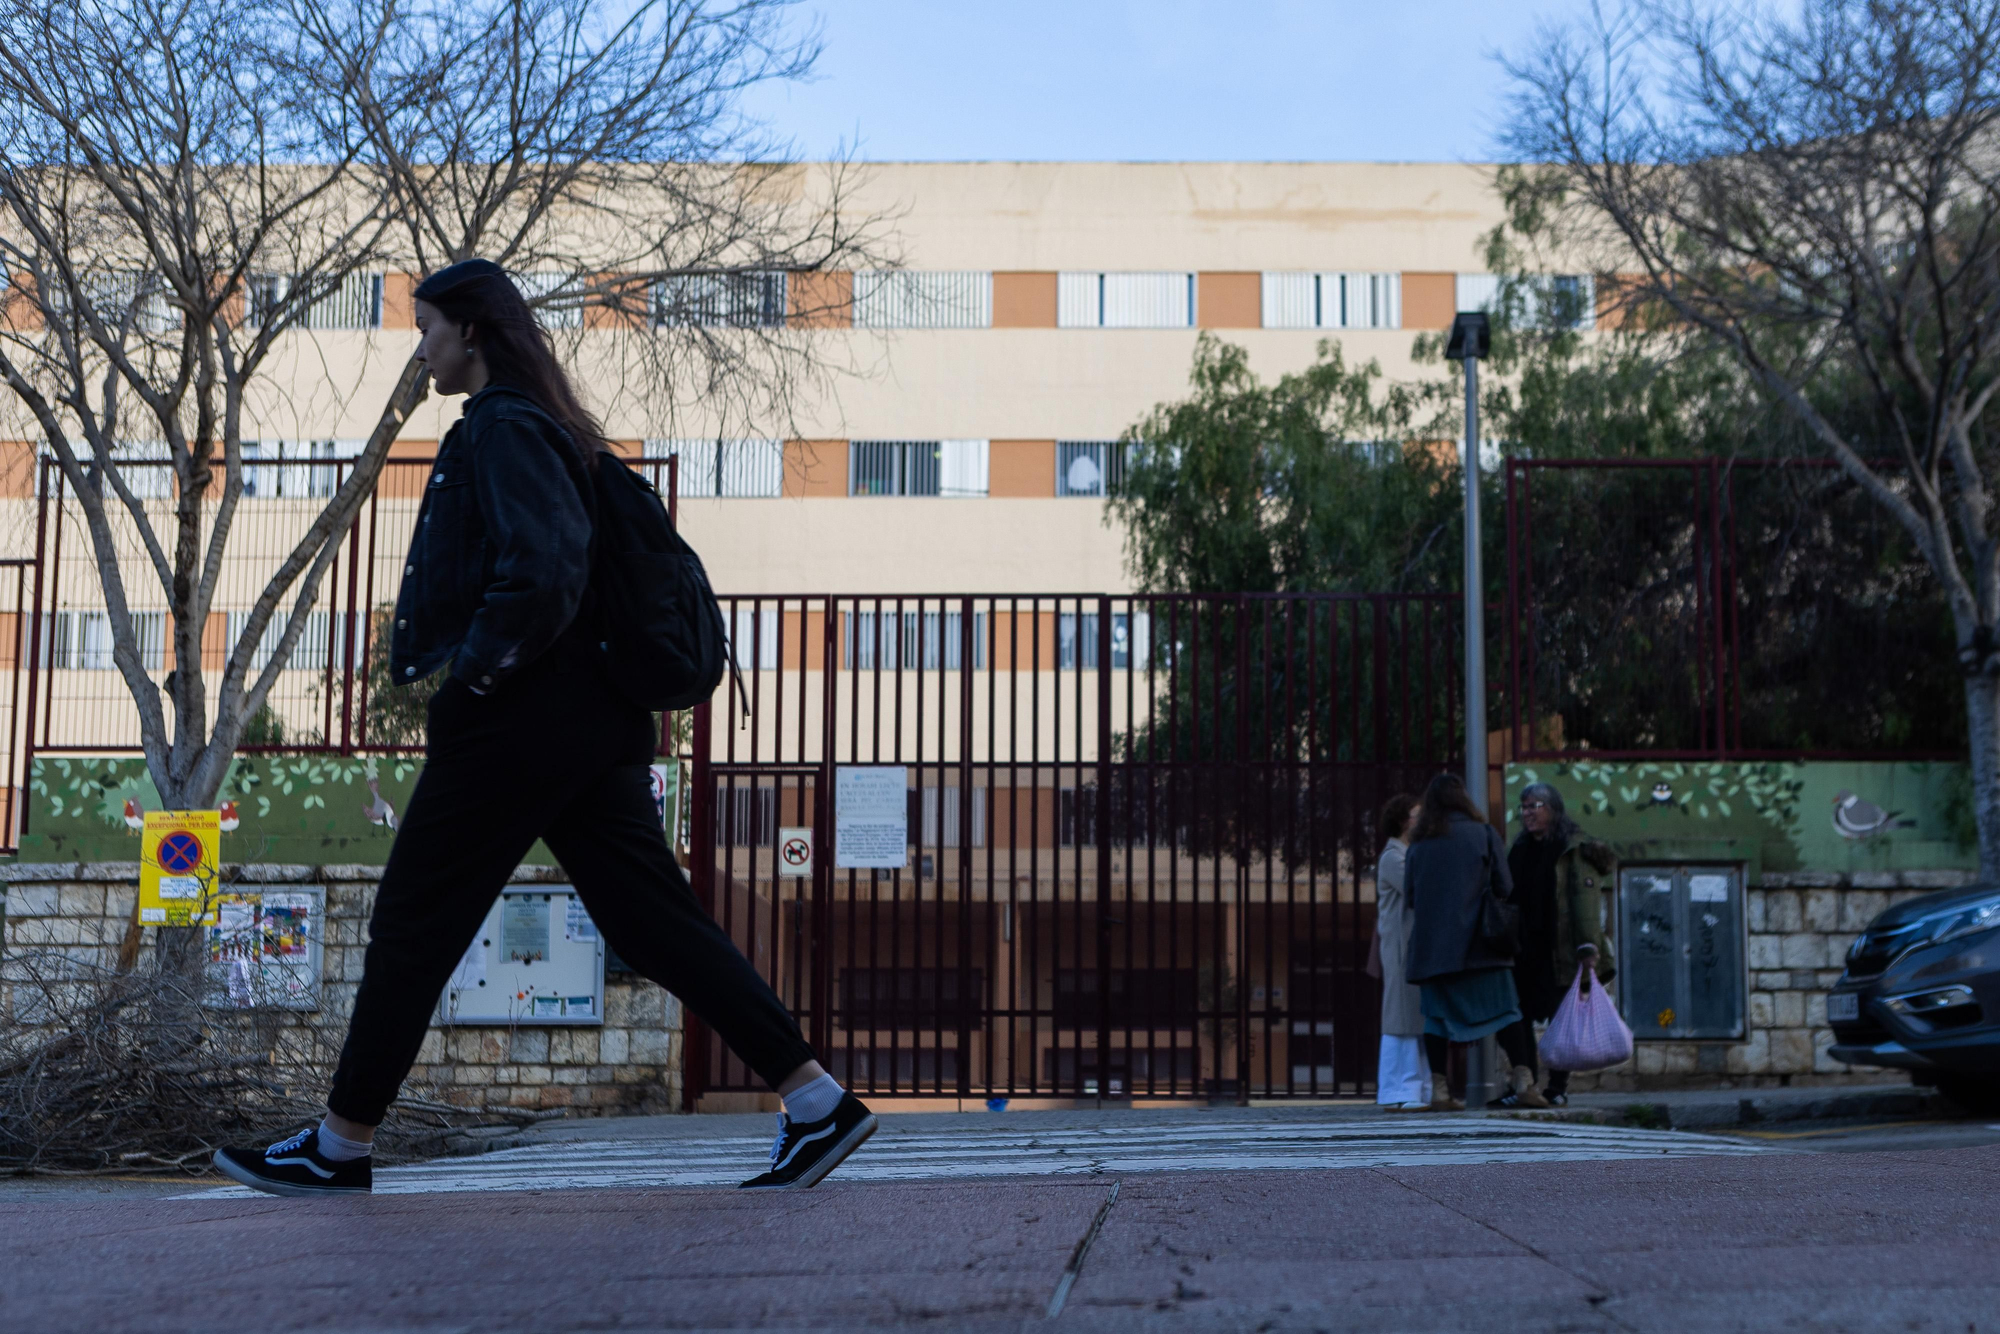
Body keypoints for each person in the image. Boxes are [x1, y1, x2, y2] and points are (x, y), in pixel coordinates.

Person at [214, 259, 873, 1196]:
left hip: (523, 718)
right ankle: (817, 1105)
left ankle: (342, 1143)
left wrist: (470, 680)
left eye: (430, 327)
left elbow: (545, 570)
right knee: (653, 923)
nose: (423, 345)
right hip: (590, 721)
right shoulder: (549, 427)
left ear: (472, 332)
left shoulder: (505, 427)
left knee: (412, 921)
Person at [1493, 782, 1617, 1108]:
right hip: (1522, 951)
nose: (1528, 813)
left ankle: (1557, 1088)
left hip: (1559, 950)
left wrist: (1588, 947)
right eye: (1524, 807)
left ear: (1553, 809)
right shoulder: (1519, 848)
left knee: (1561, 1020)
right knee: (1513, 1017)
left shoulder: (1571, 849)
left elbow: (1584, 904)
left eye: (1535, 806)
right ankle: (1526, 1085)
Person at [1404, 772, 1520, 1111]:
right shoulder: (1484, 834)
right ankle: (1525, 1080)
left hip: (1434, 951)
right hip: (1481, 947)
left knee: (1436, 1018)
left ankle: (1440, 1090)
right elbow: (1505, 887)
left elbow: (1411, 896)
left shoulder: (1419, 845)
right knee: (1507, 1012)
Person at [1372, 793, 1432, 1111]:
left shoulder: (1404, 854)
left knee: (1409, 1017)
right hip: (1399, 948)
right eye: (1415, 814)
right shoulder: (1393, 857)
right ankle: (1401, 1089)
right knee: (1402, 1018)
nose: (1421, 819)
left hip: (1406, 946)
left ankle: (1414, 1088)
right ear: (1402, 821)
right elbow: (1416, 887)